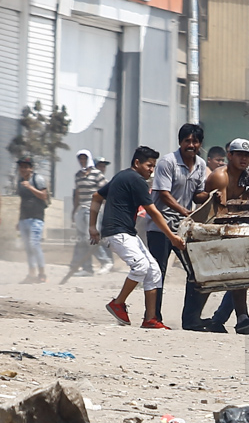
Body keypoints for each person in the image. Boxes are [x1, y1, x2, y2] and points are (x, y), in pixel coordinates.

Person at [89, 146, 185, 330]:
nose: (152, 170)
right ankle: (118, 303)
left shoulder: (121, 176)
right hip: (118, 233)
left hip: (125, 232)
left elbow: (96, 196)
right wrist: (172, 236)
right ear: (137, 163)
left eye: (154, 166)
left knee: (154, 271)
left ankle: (151, 319)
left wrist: (93, 227)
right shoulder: (137, 180)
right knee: (141, 266)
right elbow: (153, 212)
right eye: (149, 165)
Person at [184, 139, 249, 334]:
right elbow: (220, 211)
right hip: (210, 232)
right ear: (230, 155)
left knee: (238, 274)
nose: (245, 159)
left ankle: (242, 319)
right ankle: (192, 319)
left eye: (248, 155)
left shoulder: (247, 177)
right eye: (240, 155)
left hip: (231, 230)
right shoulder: (221, 176)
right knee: (203, 277)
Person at [146, 123, 208, 327]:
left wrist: (213, 193)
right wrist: (184, 211)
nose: (191, 145)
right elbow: (163, 194)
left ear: (200, 144)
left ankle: (190, 320)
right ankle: (154, 317)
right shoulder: (168, 162)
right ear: (180, 142)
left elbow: (198, 195)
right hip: (161, 226)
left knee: (195, 271)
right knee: (159, 272)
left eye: (195, 141)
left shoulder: (200, 164)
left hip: (183, 227)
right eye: (187, 141)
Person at [67, 150, 113, 278]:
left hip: (93, 208)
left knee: (90, 236)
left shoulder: (96, 174)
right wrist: (74, 210)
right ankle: (87, 268)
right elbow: (77, 193)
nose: (82, 161)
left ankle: (105, 261)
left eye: (84, 158)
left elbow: (106, 190)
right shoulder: (78, 175)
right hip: (82, 208)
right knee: (82, 239)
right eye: (80, 159)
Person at [15, 157, 48, 284]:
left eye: (25, 167)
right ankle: (31, 274)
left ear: (31, 168)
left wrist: (30, 187)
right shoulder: (19, 181)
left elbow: (43, 195)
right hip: (24, 219)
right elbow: (22, 202)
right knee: (28, 247)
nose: (23, 169)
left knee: (34, 244)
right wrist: (19, 220)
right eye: (21, 167)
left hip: (36, 218)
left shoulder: (37, 179)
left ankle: (42, 273)